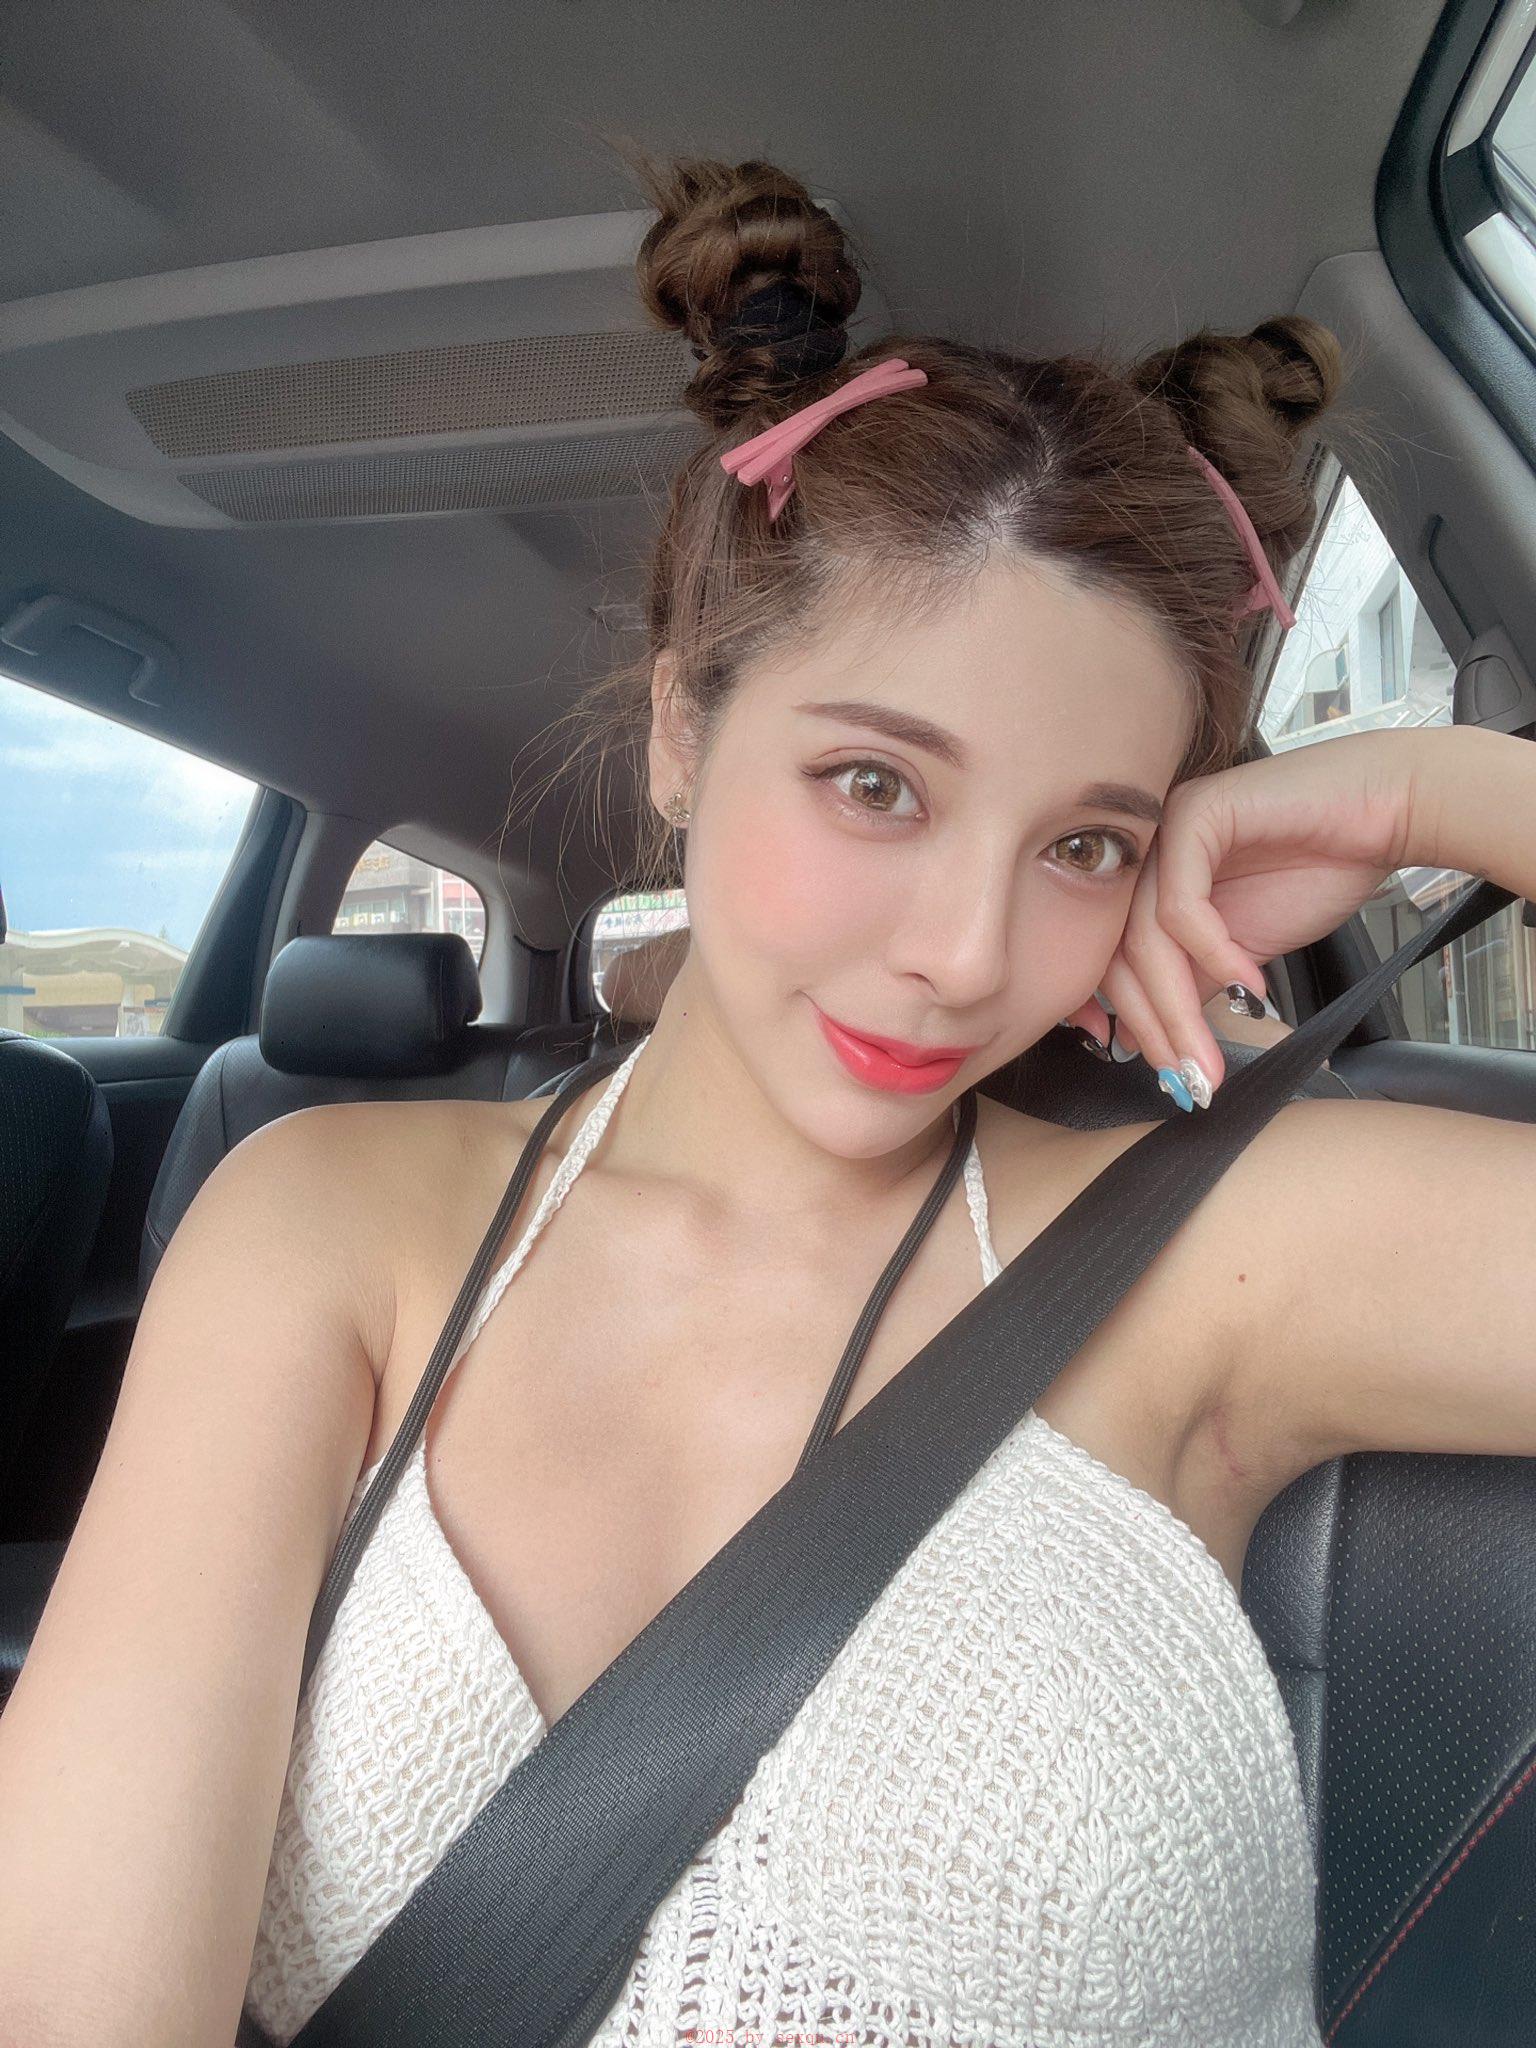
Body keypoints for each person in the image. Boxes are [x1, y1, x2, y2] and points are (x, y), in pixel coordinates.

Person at [6, 149, 1536, 2048]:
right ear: (680, 727)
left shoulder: (1212, 1254)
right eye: (876, 786)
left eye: (1084, 844)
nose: (965, 955)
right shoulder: (325, 1229)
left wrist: (1438, 794)